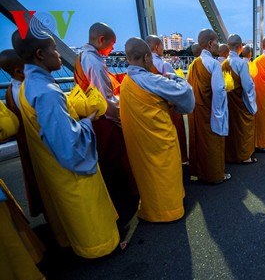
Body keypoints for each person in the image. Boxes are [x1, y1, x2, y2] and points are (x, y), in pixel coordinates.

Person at [12, 30, 119, 258]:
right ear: (40, 54)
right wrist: (87, 122)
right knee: (87, 209)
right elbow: (69, 144)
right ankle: (101, 248)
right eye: (54, 49)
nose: (59, 55)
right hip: (69, 169)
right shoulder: (47, 92)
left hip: (51, 166)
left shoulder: (27, 85)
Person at [74, 22, 139, 239]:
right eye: (111, 45)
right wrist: (123, 117)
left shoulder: (86, 57)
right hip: (104, 120)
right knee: (114, 163)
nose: (112, 49)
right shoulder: (93, 60)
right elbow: (105, 99)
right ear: (101, 40)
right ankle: (121, 211)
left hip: (95, 118)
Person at [120, 37, 194, 222]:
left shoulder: (126, 82)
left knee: (148, 174)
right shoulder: (150, 79)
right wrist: (174, 76)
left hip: (139, 142)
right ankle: (170, 210)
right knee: (165, 171)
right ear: (146, 57)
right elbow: (185, 92)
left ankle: (151, 209)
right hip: (159, 138)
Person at [0, 50, 44, 218]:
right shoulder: (28, 89)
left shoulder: (10, 90)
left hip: (26, 144)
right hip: (39, 143)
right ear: (19, 71)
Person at [187, 29, 231, 184]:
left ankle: (201, 172)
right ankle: (215, 175)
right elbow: (219, 90)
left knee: (200, 142)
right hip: (211, 109)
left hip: (197, 110)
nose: (218, 45)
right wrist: (219, 113)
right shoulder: (213, 64)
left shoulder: (193, 64)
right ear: (211, 43)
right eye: (217, 42)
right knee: (213, 141)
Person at [146, 35, 189, 165]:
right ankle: (180, 159)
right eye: (162, 47)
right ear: (157, 47)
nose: (163, 50)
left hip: (151, 106)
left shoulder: (144, 66)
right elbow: (175, 87)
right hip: (168, 105)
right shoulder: (164, 65)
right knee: (176, 132)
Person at [221, 34, 258, 164]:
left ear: (228, 46)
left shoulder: (224, 63)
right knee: (244, 126)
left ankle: (230, 154)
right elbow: (247, 86)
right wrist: (253, 100)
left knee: (231, 126)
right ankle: (244, 156)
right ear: (240, 47)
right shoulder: (241, 63)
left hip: (228, 100)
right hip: (240, 100)